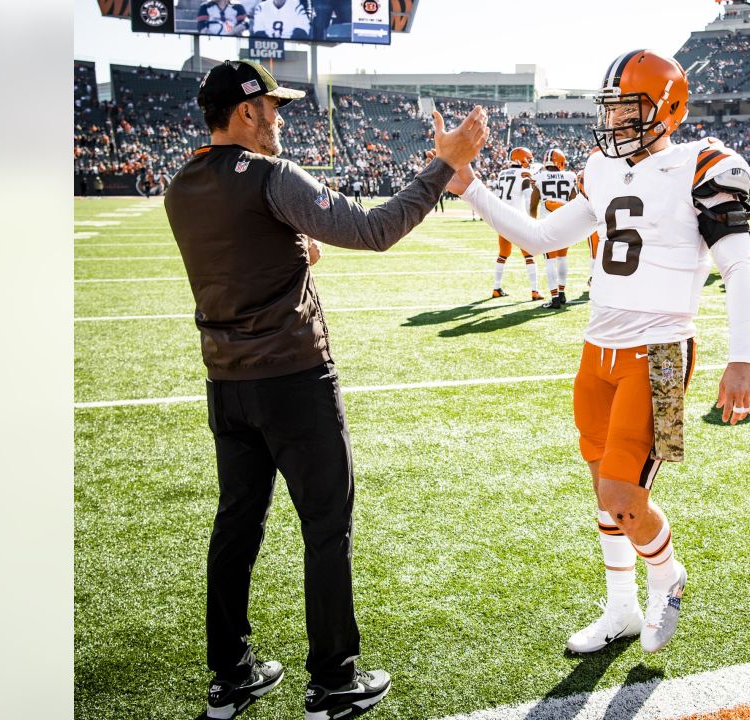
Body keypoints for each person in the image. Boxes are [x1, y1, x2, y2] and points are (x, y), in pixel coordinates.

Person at [163, 60, 487, 720]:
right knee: (326, 526)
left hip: (226, 384)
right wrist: (442, 166)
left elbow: (240, 255)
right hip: (293, 381)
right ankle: (334, 679)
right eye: (272, 107)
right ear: (247, 111)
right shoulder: (272, 176)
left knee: (235, 529)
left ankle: (231, 674)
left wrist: (291, 250)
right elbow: (373, 230)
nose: (279, 118)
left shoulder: (181, 184)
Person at [448, 49, 750, 655]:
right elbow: (540, 237)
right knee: (604, 496)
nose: (615, 120)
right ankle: (621, 608)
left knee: (623, 495)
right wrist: (470, 187)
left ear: (667, 107)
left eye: (628, 108)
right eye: (611, 108)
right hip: (599, 349)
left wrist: (741, 358)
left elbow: (739, 268)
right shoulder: (601, 169)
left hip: (662, 350)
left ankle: (668, 577)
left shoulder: (704, 164)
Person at [490, 147, 542, 300]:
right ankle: (535, 290)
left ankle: (496, 288)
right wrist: (530, 218)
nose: (530, 162)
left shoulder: (501, 174)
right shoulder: (524, 174)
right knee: (529, 255)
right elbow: (527, 198)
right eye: (528, 159)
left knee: (503, 254)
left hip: (502, 218)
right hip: (517, 219)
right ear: (522, 159)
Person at [530, 147, 579, 308]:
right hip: (565, 223)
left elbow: (533, 206)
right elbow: (574, 203)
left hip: (548, 224)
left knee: (550, 260)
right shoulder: (570, 176)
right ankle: (562, 292)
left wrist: (533, 224)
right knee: (562, 258)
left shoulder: (539, 177)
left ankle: (555, 297)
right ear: (560, 162)